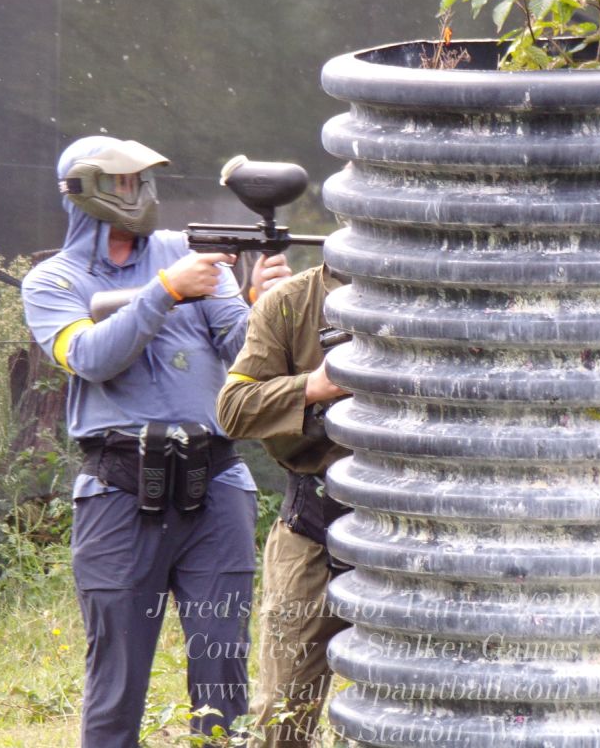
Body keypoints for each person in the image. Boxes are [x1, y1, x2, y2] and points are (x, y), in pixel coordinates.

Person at [21, 135, 290, 748]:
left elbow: (240, 349)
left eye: (141, 180)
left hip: (215, 483)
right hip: (119, 491)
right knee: (117, 676)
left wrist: (266, 307)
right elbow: (90, 357)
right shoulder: (52, 280)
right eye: (122, 182)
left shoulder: (184, 251)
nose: (138, 193)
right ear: (84, 190)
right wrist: (165, 291)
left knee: (222, 666)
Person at [216, 261, 353, 747]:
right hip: (315, 529)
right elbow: (234, 407)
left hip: (423, 538)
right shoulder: (293, 302)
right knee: (283, 715)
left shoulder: (444, 299)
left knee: (420, 705)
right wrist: (314, 386)